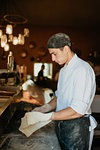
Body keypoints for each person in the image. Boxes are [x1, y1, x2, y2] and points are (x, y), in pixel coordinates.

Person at [32, 33, 97, 150]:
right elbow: (59, 97)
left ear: (66, 49)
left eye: (54, 54)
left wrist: (47, 117)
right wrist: (44, 108)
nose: (52, 59)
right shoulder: (63, 71)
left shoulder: (82, 70)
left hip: (76, 127)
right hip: (61, 123)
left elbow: (78, 110)